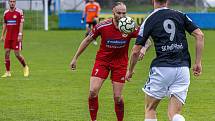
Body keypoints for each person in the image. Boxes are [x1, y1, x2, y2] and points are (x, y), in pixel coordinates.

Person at [70, 2, 150, 121]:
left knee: (117, 97)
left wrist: (143, 49)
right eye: (119, 13)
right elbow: (87, 40)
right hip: (102, 61)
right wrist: (75, 58)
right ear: (113, 12)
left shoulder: (129, 26)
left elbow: (147, 40)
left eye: (124, 13)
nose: (122, 15)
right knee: (92, 91)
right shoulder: (102, 26)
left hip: (120, 64)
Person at [126, 0, 204, 121]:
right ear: (167, 1)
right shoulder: (179, 14)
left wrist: (130, 70)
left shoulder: (150, 19)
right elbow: (200, 35)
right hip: (183, 69)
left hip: (162, 67)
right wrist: (198, 62)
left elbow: (136, 50)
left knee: (150, 108)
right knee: (174, 114)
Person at [1, 0, 29, 77]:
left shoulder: (19, 12)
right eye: (11, 1)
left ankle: (25, 67)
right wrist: (2, 35)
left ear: (15, 2)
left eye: (13, 1)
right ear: (8, 2)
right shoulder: (5, 13)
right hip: (8, 36)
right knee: (6, 52)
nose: (12, 3)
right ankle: (8, 72)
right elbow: (5, 24)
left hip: (16, 36)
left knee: (17, 54)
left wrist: (20, 34)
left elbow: (21, 23)